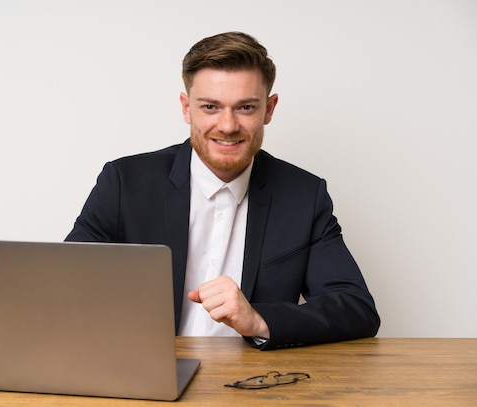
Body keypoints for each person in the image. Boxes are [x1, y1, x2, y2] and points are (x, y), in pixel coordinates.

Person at [65, 31, 380, 350]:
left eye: (245, 107)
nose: (228, 126)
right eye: (210, 107)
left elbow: (357, 308)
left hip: (254, 385)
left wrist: (258, 320)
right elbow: (66, 283)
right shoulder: (124, 182)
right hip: (143, 375)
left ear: (269, 110)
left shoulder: (304, 196)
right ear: (187, 108)